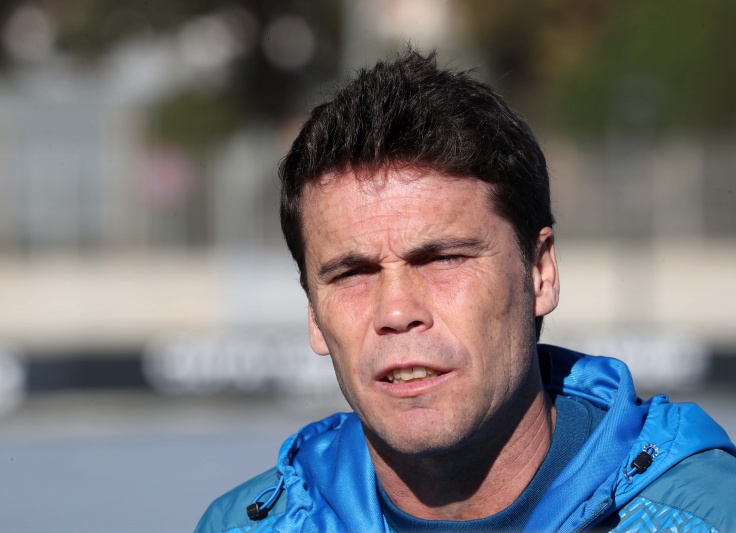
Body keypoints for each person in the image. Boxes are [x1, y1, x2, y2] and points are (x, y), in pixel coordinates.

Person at [197, 50, 736, 532]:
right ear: (314, 315)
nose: (396, 311)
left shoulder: (706, 517)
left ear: (540, 272)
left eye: (443, 258)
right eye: (353, 273)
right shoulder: (241, 527)